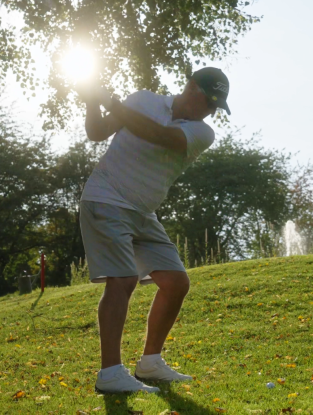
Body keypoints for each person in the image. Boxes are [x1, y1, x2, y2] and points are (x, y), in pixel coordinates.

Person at [77, 67, 231, 394]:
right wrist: (92, 101)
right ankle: (110, 372)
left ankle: (149, 362)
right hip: (106, 198)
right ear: (191, 87)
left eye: (215, 107)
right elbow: (97, 132)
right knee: (123, 280)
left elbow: (160, 137)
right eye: (208, 100)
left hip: (143, 212)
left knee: (176, 283)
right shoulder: (142, 101)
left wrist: (114, 104)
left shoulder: (203, 133)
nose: (209, 111)